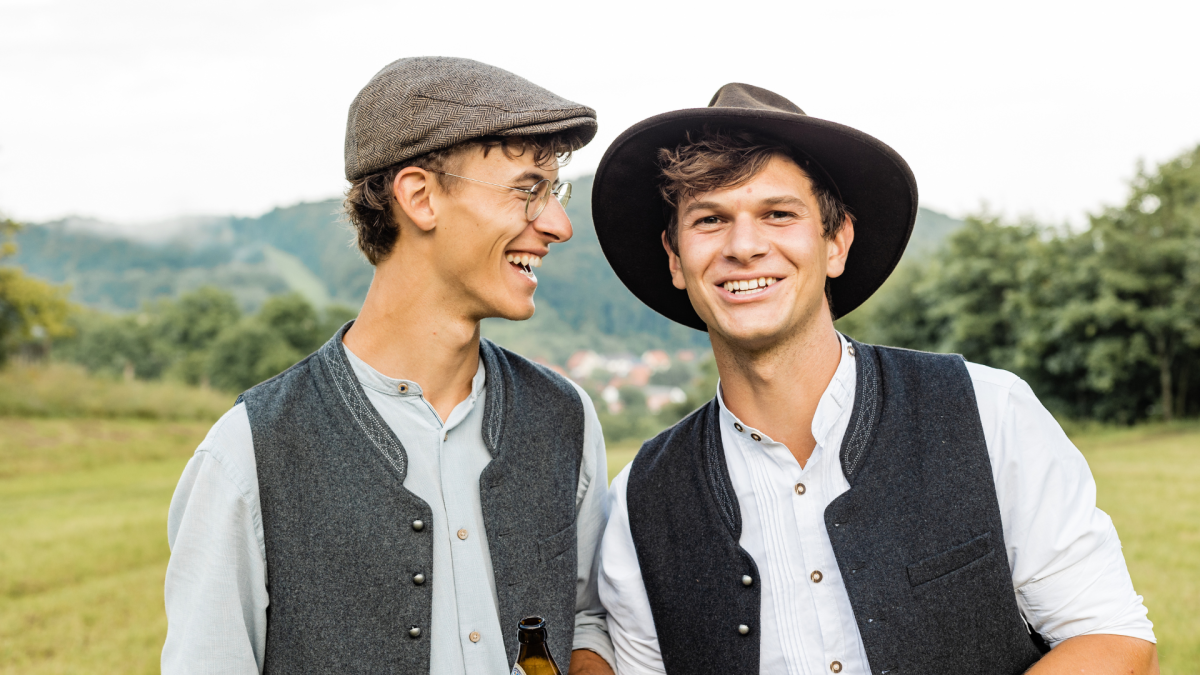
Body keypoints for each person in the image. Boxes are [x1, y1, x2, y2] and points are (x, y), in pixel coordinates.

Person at [590, 83, 1157, 675]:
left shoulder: (989, 412)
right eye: (710, 220)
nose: (745, 245)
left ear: (835, 242)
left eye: (778, 215)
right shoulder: (640, 500)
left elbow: (1114, 640)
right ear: (677, 260)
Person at [162, 56, 616, 675]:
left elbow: (587, 616)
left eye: (553, 192)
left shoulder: (566, 416)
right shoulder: (247, 452)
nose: (559, 225)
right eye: (527, 189)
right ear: (420, 196)